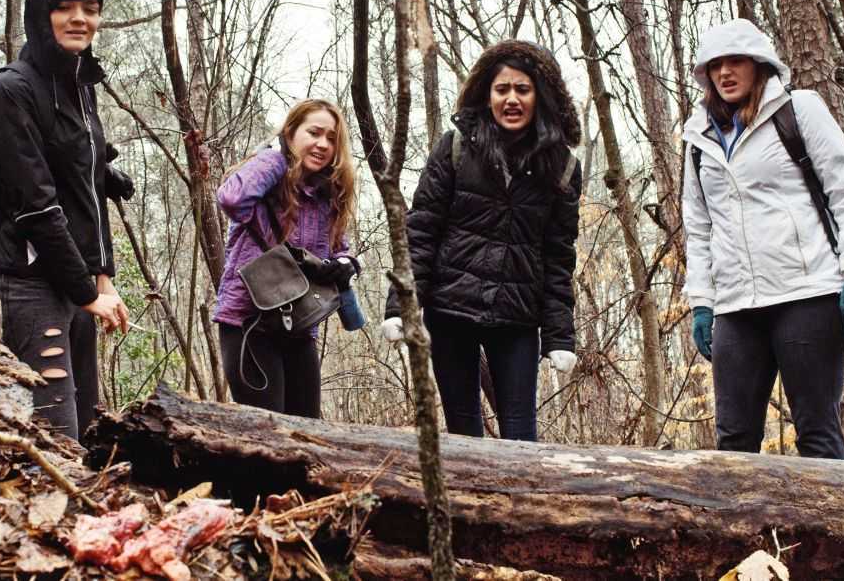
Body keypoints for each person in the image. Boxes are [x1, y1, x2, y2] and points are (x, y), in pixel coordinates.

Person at [682, 18, 844, 459]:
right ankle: (741, 530)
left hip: (806, 294)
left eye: (736, 61)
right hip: (736, 306)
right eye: (716, 65)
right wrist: (701, 302)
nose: (725, 73)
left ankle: (828, 530)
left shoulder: (799, 110)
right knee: (733, 441)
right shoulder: (697, 139)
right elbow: (698, 226)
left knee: (816, 431)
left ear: (759, 65)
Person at [381, 40, 583, 442]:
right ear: (486, 94)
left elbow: (558, 257)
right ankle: (464, 506)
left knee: (521, 436)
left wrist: (560, 335)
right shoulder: (455, 147)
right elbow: (421, 231)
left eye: (522, 90)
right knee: (463, 434)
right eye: (501, 89)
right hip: (450, 309)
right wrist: (402, 305)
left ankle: (520, 506)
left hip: (517, 318)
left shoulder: (562, 168)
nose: (511, 99)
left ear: (539, 95)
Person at [0, 0, 133, 440]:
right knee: (55, 440)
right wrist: (88, 292)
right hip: (28, 284)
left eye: (90, 10)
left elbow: (88, 191)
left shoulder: (82, 87)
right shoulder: (12, 89)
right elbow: (37, 208)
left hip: (75, 284)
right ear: (39, 15)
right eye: (64, 8)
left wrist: (101, 281)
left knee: (87, 430)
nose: (79, 19)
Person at [214, 99, 358, 418]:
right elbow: (231, 198)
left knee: (307, 429)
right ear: (291, 134)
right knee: (268, 431)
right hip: (249, 323)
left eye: (332, 138)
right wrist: (277, 156)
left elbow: (340, 247)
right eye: (314, 133)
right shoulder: (268, 175)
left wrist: (346, 264)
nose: (323, 144)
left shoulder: (327, 197)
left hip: (299, 325)